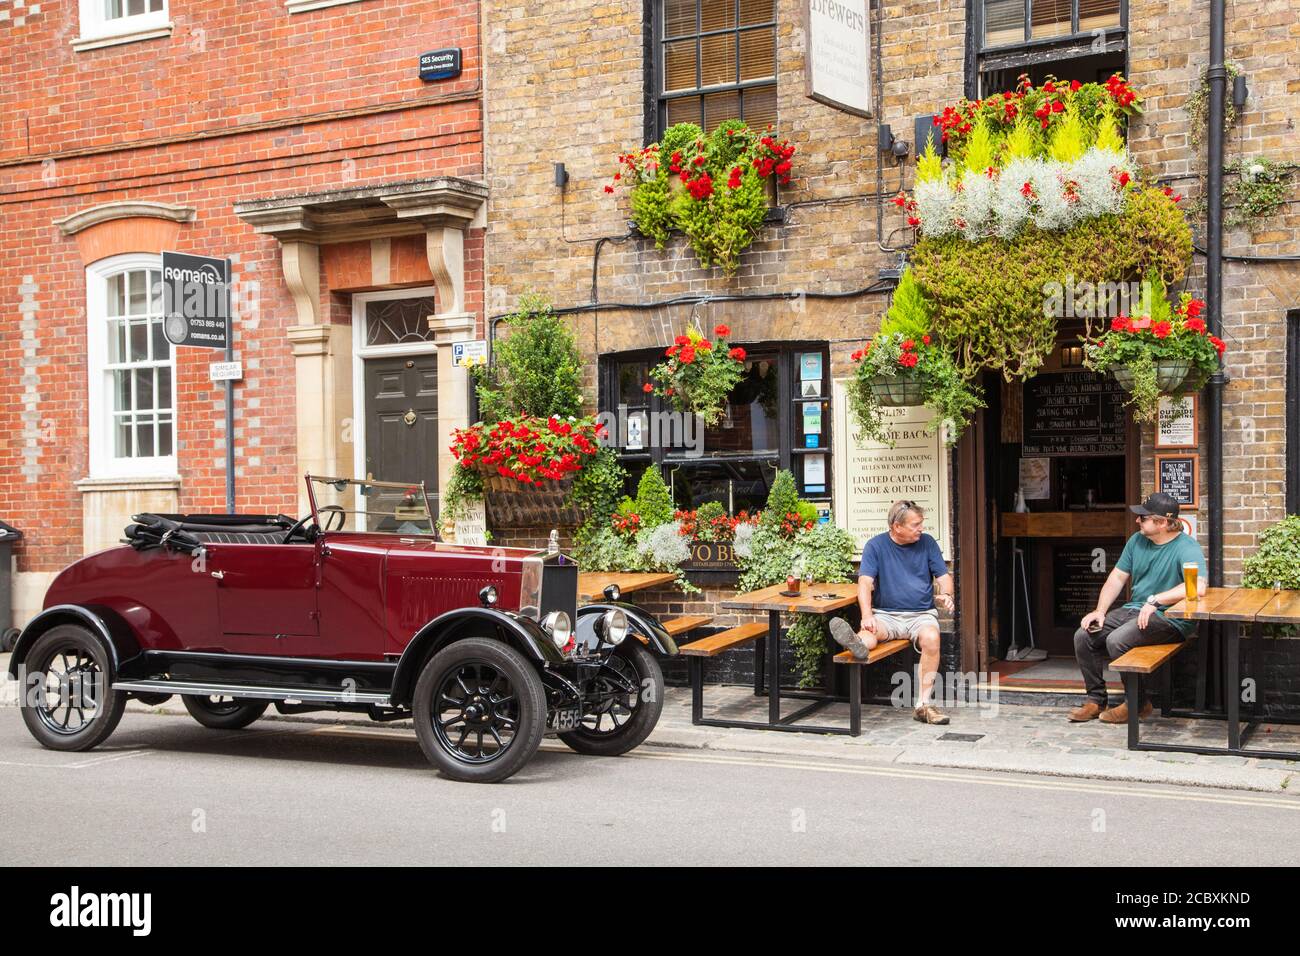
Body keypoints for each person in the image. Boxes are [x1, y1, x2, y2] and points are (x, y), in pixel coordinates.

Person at [1068, 492, 1207, 724]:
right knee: (1084, 635)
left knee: (1117, 640)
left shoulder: (1187, 547)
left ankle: (1138, 703)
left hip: (1171, 619)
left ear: (1162, 522)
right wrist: (1100, 611)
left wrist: (1156, 601)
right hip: (1135, 610)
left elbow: (1197, 587)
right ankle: (1095, 700)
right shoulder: (1137, 541)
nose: (1137, 521)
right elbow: (1117, 578)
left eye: (1143, 518)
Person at [830, 500, 954, 725]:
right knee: (869, 633)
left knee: (932, 638)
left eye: (921, 524)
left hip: (921, 615)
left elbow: (944, 577)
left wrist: (947, 594)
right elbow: (865, 583)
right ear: (897, 526)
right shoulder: (875, 546)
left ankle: (924, 705)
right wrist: (867, 615)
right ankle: (854, 643)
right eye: (915, 525)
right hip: (886, 614)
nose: (921, 528)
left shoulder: (927, 543)